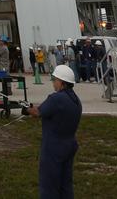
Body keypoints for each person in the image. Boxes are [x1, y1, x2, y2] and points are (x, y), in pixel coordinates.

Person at [26, 64, 82, 199]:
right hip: (69, 144)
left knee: (49, 184)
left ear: (61, 82)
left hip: (53, 147)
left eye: (54, 79)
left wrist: (26, 108)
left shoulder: (56, 98)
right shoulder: (76, 100)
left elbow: (38, 112)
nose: (53, 82)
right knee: (65, 184)